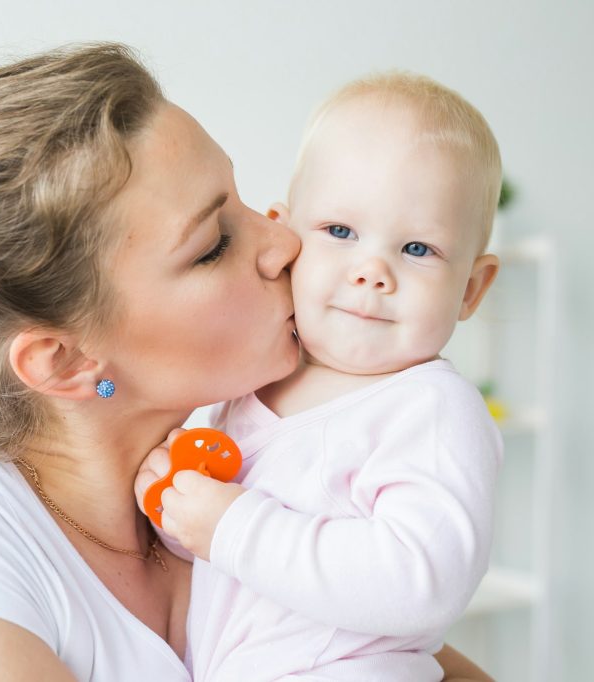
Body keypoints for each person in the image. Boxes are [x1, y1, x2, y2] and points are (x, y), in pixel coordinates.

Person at [0, 43, 492, 681]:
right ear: (62, 360)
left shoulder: (265, 490)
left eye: (249, 204)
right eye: (213, 243)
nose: (284, 245)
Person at [137, 72, 503, 681]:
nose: (372, 271)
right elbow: (229, 571)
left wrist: (232, 525)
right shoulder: (248, 384)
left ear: (471, 287)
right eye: (340, 232)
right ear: (286, 232)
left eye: (418, 249)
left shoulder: (433, 409)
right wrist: (180, 511)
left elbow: (422, 581)